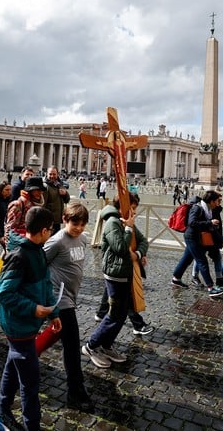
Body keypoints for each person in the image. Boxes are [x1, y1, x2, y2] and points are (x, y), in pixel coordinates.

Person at [0, 206, 60, 431]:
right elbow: (4, 292)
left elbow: (46, 283)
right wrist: (33, 309)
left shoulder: (38, 250)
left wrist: (54, 313)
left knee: (13, 366)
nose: (51, 233)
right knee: (30, 384)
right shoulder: (20, 255)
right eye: (50, 229)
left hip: (28, 324)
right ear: (42, 231)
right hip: (18, 326)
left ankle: (1, 414)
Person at [37, 201, 95, 412]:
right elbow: (38, 263)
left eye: (82, 224)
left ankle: (29, 354)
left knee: (56, 333)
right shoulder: (57, 241)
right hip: (58, 299)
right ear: (64, 220)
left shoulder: (83, 239)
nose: (78, 228)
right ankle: (75, 392)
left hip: (71, 296)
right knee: (72, 345)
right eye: (74, 223)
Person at [82, 193, 148, 369]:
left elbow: (143, 241)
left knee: (122, 313)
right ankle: (91, 345)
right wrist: (128, 229)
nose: (134, 212)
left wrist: (138, 254)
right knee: (114, 314)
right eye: (132, 208)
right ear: (124, 207)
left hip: (126, 272)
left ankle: (106, 345)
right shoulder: (113, 222)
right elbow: (119, 248)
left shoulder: (126, 221)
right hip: (115, 273)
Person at [170, 191, 223, 296]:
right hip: (192, 237)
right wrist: (209, 222)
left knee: (187, 259)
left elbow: (211, 229)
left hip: (197, 237)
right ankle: (211, 288)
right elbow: (191, 223)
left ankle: (176, 278)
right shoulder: (197, 208)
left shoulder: (208, 209)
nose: (217, 204)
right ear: (211, 201)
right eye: (216, 201)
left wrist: (220, 239)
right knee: (202, 261)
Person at [5, 176, 46, 251]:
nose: (40, 192)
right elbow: (10, 229)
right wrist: (10, 249)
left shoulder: (38, 204)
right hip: (19, 245)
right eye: (37, 190)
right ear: (30, 191)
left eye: (41, 190)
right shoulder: (18, 204)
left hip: (33, 244)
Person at [44, 167, 70, 233]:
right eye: (50, 174)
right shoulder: (45, 186)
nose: (52, 176)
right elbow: (42, 205)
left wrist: (65, 194)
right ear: (46, 174)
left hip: (57, 220)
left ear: (57, 174)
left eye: (54, 174)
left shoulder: (59, 184)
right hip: (48, 220)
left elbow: (67, 200)